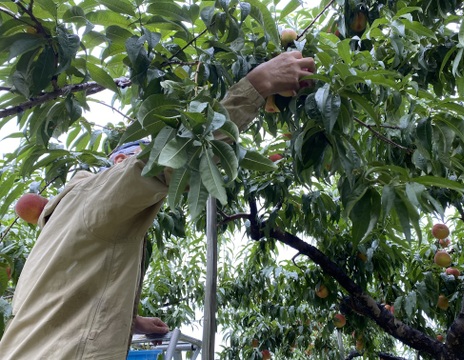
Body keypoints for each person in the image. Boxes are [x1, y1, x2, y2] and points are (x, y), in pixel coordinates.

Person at [0, 51, 315, 359]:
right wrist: (257, 84)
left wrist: (129, 321)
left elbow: (66, 298)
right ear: (120, 161)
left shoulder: (55, 230)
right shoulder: (96, 195)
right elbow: (165, 163)